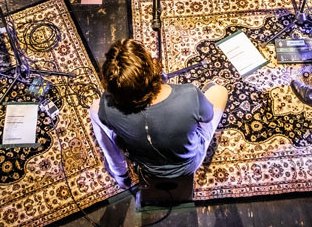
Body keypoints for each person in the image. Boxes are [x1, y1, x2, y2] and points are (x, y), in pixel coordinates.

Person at [89, 39, 228, 187]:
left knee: (94, 109)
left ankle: (120, 172)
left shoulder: (105, 108)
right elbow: (207, 117)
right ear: (150, 67)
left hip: (146, 168)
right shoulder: (189, 94)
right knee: (219, 91)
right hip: (188, 166)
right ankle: (210, 92)